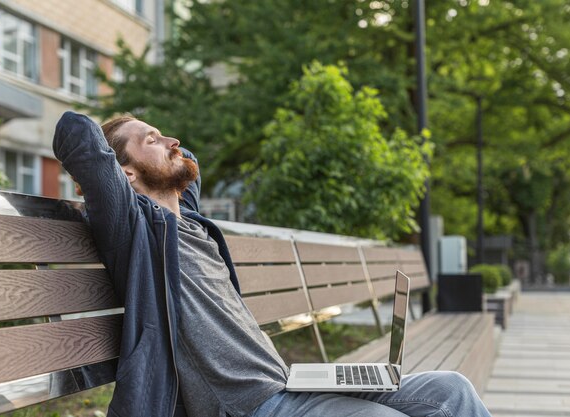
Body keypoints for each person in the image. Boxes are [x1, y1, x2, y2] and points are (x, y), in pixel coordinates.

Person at [53, 111, 492, 417]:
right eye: (152, 139)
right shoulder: (133, 231)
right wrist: (124, 157)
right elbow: (76, 135)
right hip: (250, 405)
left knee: (451, 390)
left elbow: (192, 167)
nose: (173, 142)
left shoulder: (192, 225)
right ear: (123, 174)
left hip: (290, 383)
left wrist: (155, 148)